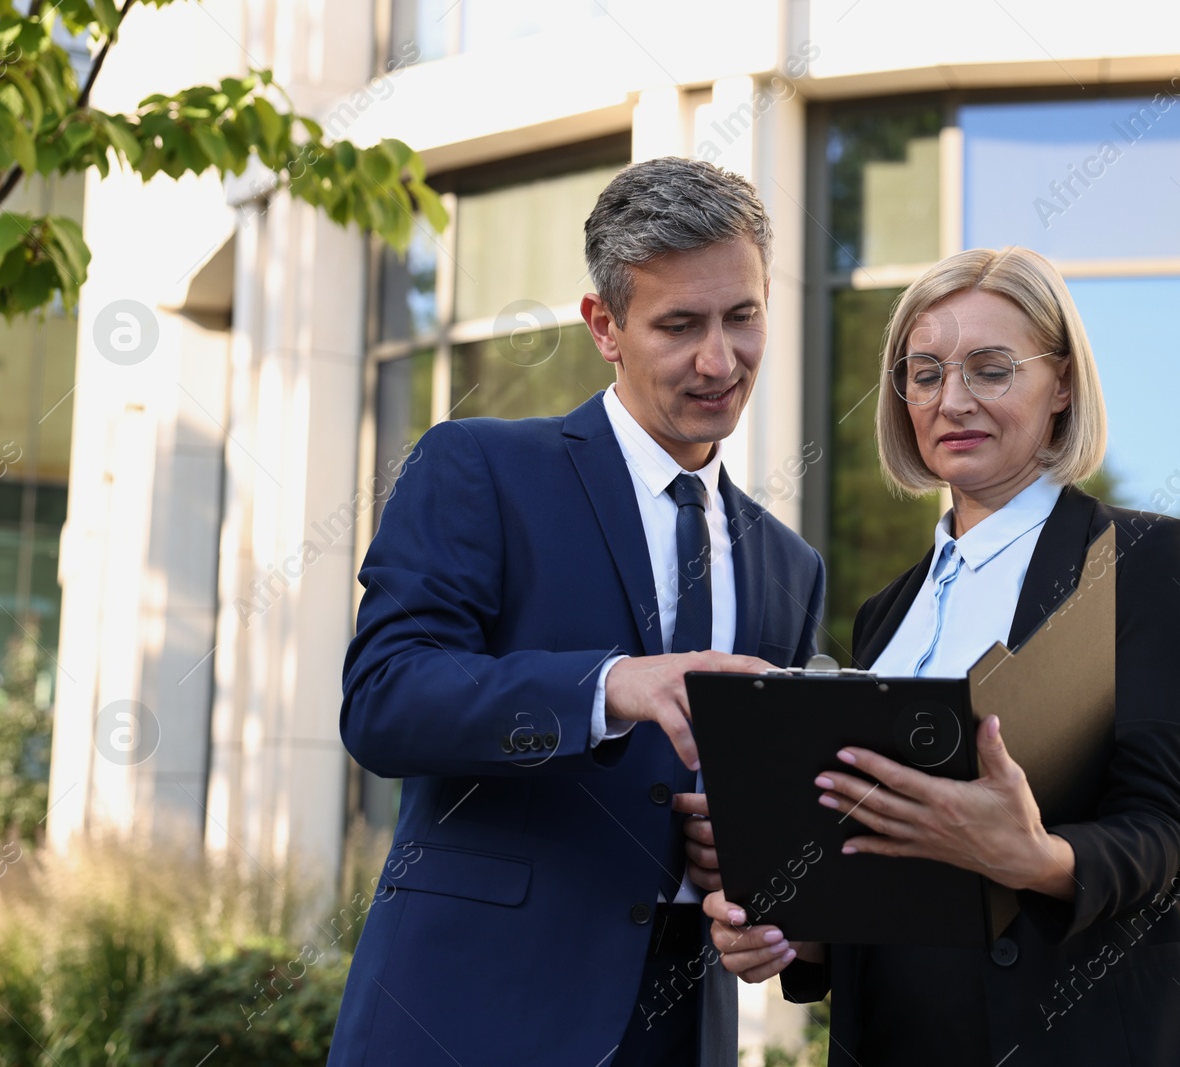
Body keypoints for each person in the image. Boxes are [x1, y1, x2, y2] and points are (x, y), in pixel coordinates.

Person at [329, 157, 825, 1067]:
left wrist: (770, 899)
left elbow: (763, 818)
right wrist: (609, 686)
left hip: (683, 1030)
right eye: (680, 325)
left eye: (742, 316)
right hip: (473, 1018)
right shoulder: (479, 468)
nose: (720, 360)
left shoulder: (790, 567)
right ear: (605, 326)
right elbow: (384, 700)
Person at [704, 246, 1180, 1065]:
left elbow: (1165, 834)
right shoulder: (886, 612)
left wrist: (1039, 857)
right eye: (925, 373)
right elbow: (877, 861)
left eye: (991, 369)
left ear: (1060, 383)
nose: (952, 401)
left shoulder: (1139, 560)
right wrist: (797, 937)